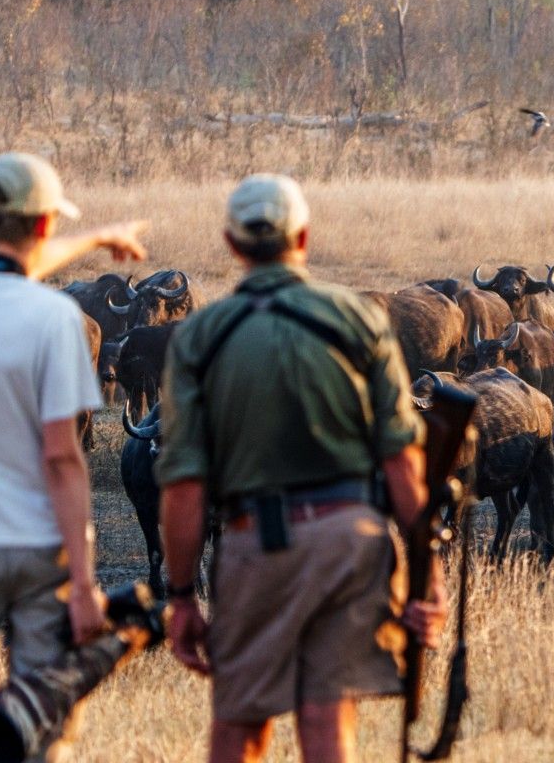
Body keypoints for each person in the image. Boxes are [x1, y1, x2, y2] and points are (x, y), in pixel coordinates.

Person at [156, 173, 448, 763]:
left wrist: (181, 594)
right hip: (351, 542)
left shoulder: (201, 337)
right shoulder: (357, 319)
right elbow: (403, 466)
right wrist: (429, 571)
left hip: (255, 542)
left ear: (232, 244)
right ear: (304, 237)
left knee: (239, 727)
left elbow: (184, 485)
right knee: (327, 723)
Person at [0, 151, 146, 763]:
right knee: (43, 721)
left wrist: (87, 238)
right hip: (42, 549)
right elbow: (63, 459)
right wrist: (88, 581)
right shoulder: (56, 320)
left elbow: (2, 271)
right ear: (44, 226)